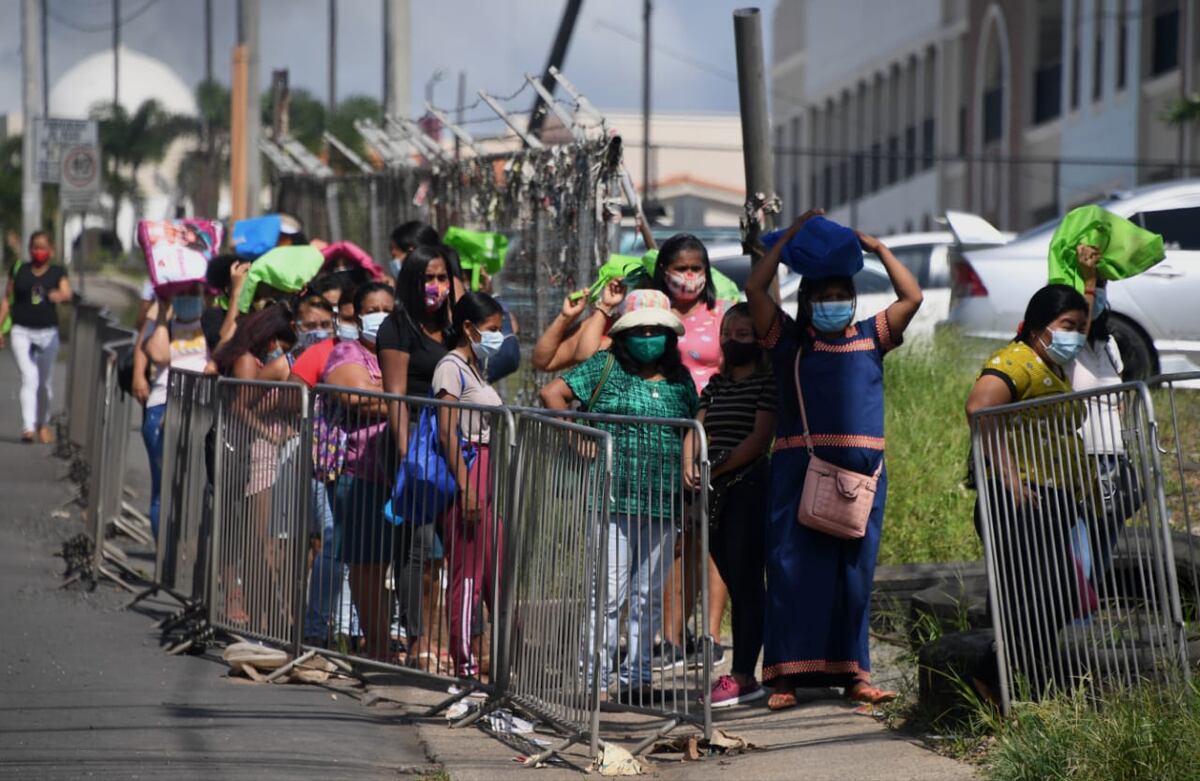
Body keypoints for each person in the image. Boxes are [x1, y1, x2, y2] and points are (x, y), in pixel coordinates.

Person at [746, 209, 923, 710]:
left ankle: (855, 678)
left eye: (841, 295)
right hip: (797, 473)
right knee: (789, 572)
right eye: (822, 297)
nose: (833, 304)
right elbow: (757, 292)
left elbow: (913, 297)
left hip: (862, 479)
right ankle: (784, 679)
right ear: (806, 301)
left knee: (853, 577)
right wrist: (789, 240)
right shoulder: (790, 344)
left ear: (853, 298)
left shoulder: (871, 337)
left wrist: (880, 249)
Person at [540, 289, 699, 699]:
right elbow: (552, 392)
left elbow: (694, 424)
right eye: (640, 330)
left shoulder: (681, 381)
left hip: (662, 502)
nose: (649, 337)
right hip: (613, 498)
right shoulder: (606, 366)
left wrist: (689, 463)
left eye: (657, 330)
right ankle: (594, 678)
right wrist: (578, 436)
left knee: (648, 595)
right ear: (625, 334)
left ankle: (639, 677)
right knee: (608, 593)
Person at [965, 283, 1094, 694]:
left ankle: (1017, 688)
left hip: (1048, 499)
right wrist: (1010, 479)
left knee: (1056, 596)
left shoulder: (1051, 368)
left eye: (1081, 327)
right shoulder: (1017, 360)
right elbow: (979, 408)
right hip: (1018, 502)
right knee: (1037, 598)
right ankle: (993, 680)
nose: (1076, 334)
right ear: (1039, 327)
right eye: (1067, 325)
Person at [684, 303, 776, 708]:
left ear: (758, 341)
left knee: (746, 583)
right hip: (713, 490)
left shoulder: (767, 385)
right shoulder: (716, 385)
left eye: (743, 335)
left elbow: (758, 440)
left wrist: (718, 466)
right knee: (722, 569)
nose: (734, 342)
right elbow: (697, 426)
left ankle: (744, 674)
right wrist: (690, 460)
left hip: (747, 485)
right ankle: (742, 672)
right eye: (728, 334)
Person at [319, 282, 397, 660]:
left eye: (388, 307)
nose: (380, 314)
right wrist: (400, 399)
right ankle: (378, 646)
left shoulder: (398, 352)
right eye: (372, 308)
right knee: (366, 562)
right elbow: (357, 397)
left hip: (400, 471)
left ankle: (390, 639)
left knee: (396, 563)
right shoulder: (346, 352)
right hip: (359, 469)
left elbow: (385, 394)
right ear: (359, 314)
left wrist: (385, 391)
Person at [432, 292, 506, 678]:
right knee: (468, 575)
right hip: (469, 469)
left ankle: (505, 660)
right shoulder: (451, 368)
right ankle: (464, 665)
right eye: (492, 329)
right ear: (468, 328)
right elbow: (447, 431)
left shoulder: (477, 367)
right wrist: (466, 486)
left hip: (487, 470)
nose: (497, 336)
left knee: (494, 568)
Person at [139, 284, 210, 537]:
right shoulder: (165, 325)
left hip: (201, 409)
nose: (187, 299)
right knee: (163, 487)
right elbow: (158, 355)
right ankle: (165, 561)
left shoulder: (210, 324)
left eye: (193, 293)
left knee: (197, 487)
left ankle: (188, 555)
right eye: (182, 294)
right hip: (162, 406)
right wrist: (161, 313)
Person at [0, 231, 73, 443]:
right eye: (34, 247)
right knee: (29, 376)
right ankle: (28, 427)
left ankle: (42, 423)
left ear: (50, 250)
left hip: (48, 333)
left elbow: (67, 293)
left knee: (44, 382)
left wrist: (59, 295)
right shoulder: (20, 270)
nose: (38, 251)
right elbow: (7, 299)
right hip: (21, 331)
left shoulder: (57, 272)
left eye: (42, 247)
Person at [257, 295, 334, 382]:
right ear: (294, 327)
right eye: (310, 326)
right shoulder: (281, 367)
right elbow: (247, 394)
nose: (319, 333)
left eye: (326, 325)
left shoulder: (344, 360)